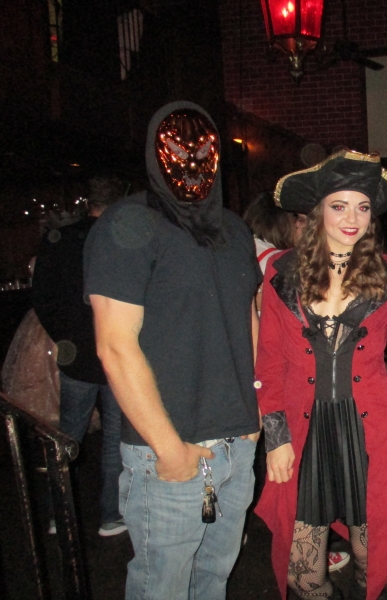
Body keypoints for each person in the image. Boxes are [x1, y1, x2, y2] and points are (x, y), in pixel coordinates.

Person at [84, 101, 261, 599]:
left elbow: (247, 319)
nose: (191, 163)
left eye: (203, 152)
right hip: (169, 451)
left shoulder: (234, 230)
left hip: (236, 445)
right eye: (178, 152)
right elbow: (115, 345)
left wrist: (254, 412)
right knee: (161, 588)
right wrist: (168, 448)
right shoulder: (127, 226)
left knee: (213, 582)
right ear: (154, 153)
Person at [254, 150, 387, 600]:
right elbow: (269, 362)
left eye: (363, 207)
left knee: (372, 562)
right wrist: (275, 437)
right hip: (305, 432)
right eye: (339, 206)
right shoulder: (282, 273)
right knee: (302, 575)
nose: (352, 219)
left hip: (371, 432)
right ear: (318, 210)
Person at [31, 175, 127, 536]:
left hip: (78, 355)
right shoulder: (122, 239)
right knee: (115, 438)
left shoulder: (61, 239)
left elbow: (42, 297)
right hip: (117, 352)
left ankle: (59, 515)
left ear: (88, 202)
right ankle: (111, 514)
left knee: (68, 435)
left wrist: (66, 337)